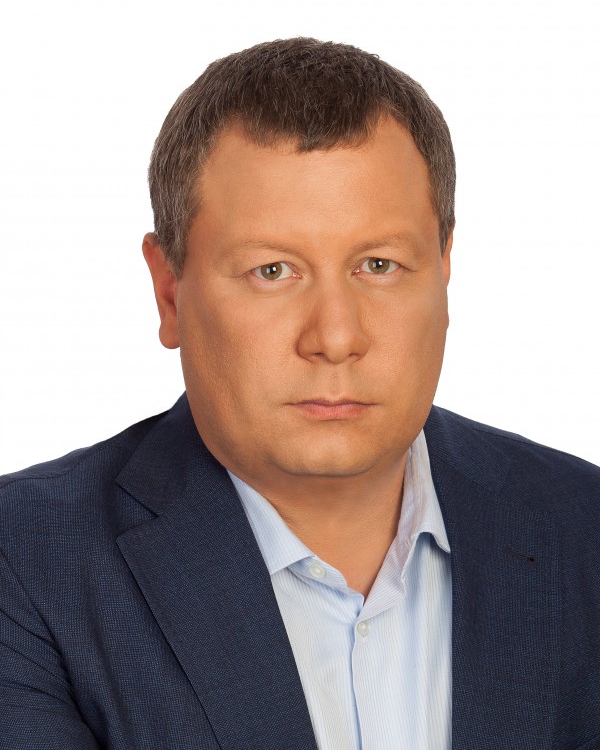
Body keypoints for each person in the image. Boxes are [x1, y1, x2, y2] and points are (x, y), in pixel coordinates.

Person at [1, 38, 599, 750]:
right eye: (273, 271)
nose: (335, 338)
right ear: (169, 292)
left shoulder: (583, 529)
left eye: (379, 264)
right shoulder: (24, 562)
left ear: (444, 269)